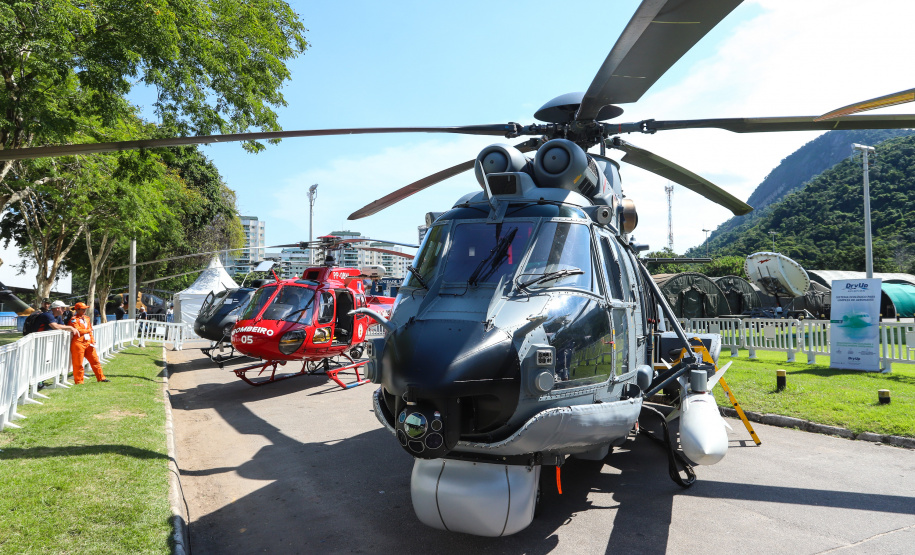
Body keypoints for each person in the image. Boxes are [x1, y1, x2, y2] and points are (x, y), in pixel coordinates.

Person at [68, 302, 108, 384]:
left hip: (88, 342)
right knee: (78, 363)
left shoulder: (87, 318)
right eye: (83, 309)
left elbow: (89, 331)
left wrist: (92, 340)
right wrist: (89, 330)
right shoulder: (73, 319)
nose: (85, 310)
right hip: (78, 342)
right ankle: (79, 381)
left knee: (95, 361)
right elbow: (78, 331)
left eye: (85, 309)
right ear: (77, 310)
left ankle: (101, 378)